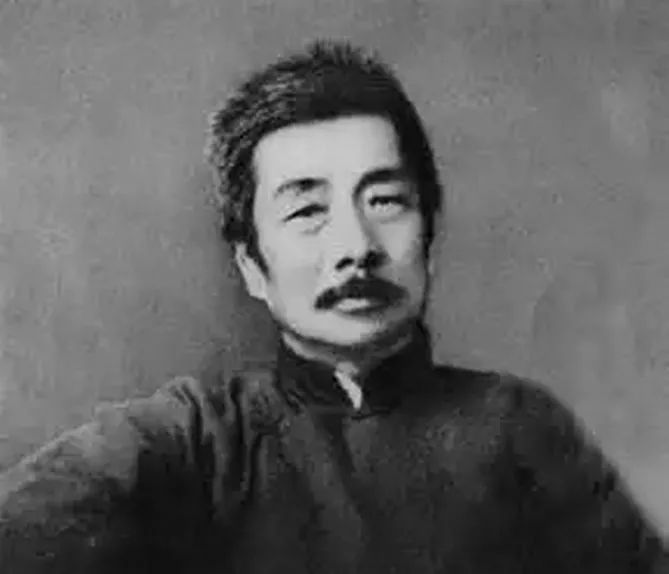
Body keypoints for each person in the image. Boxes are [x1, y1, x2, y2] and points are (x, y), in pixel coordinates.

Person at [0, 40, 666, 574]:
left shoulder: (520, 428)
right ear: (251, 266)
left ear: (429, 238)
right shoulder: (196, 441)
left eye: (385, 201)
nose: (356, 247)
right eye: (306, 211)